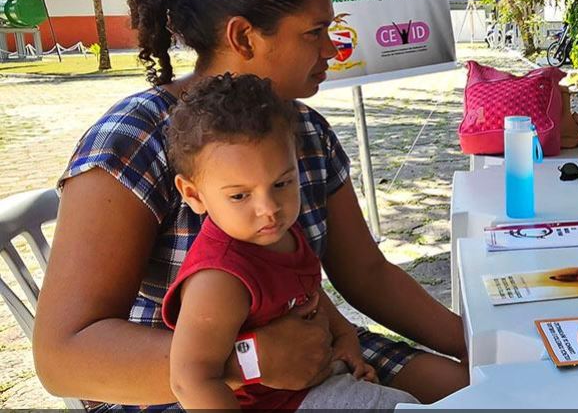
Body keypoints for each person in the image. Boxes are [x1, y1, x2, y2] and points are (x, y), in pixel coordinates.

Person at [32, 0, 469, 410]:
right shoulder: (135, 137)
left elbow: (365, 273)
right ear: (243, 36)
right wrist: (248, 361)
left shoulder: (304, 130)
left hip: (311, 354)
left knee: (479, 392)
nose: (333, 48)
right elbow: (62, 358)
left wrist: (476, 343)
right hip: (179, 386)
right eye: (314, 32)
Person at [162, 73, 417, 410]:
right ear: (193, 194)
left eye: (282, 184)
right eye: (239, 195)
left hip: (322, 378)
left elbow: (307, 292)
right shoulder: (219, 278)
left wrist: (345, 338)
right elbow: (189, 377)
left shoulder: (281, 233)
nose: (269, 209)